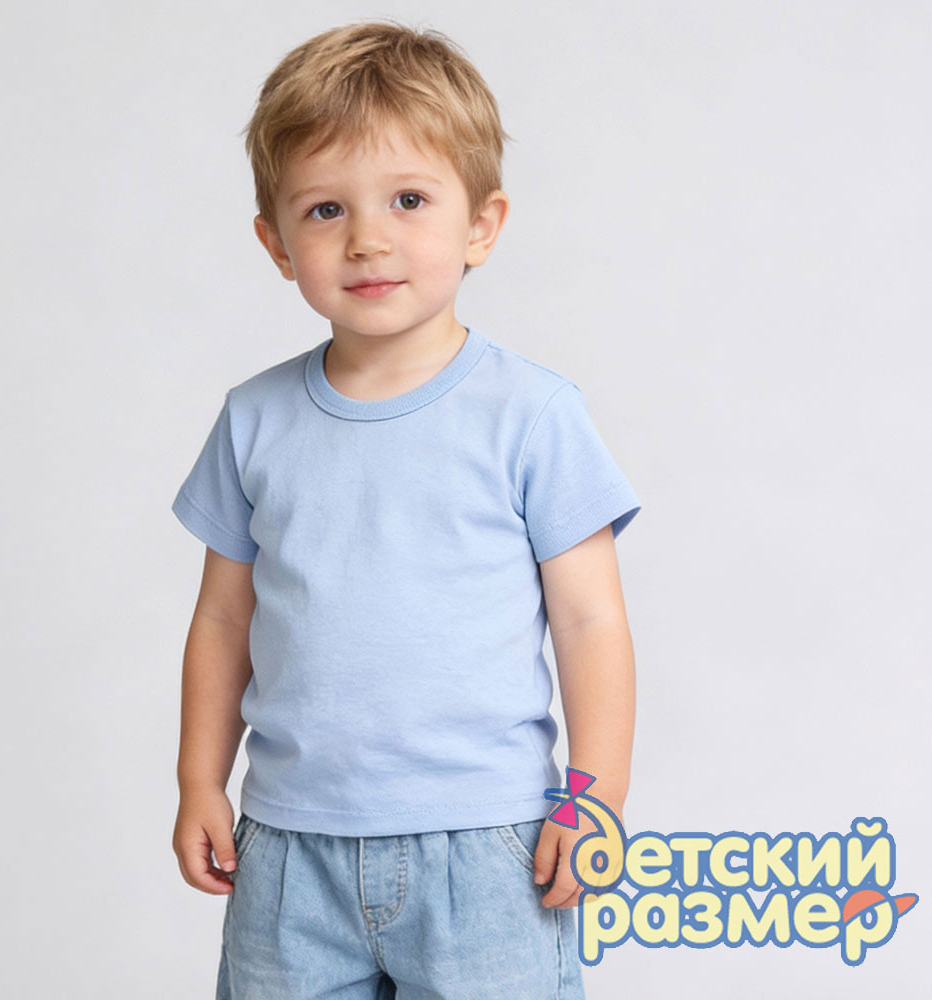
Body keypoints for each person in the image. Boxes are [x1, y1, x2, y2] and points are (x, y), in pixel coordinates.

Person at [171, 19, 641, 1000]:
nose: (368, 238)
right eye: (325, 209)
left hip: (488, 847)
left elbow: (590, 620)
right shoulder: (254, 419)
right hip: (290, 847)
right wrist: (198, 780)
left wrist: (592, 797)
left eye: (409, 200)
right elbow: (222, 618)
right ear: (275, 242)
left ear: (482, 224)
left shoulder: (533, 415)